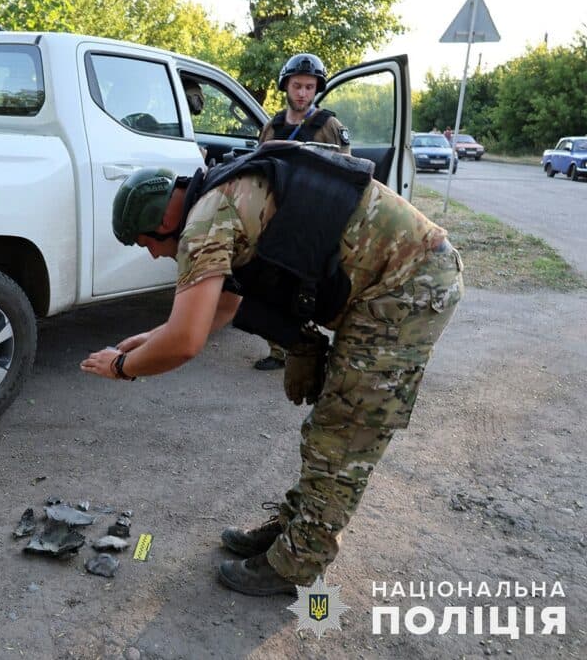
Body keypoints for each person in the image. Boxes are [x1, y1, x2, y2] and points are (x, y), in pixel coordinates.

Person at [80, 141, 463, 596]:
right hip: (397, 277)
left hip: (409, 285)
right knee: (326, 428)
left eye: (146, 243)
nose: (151, 254)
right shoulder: (220, 194)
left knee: (343, 431)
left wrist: (122, 367)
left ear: (163, 222)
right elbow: (224, 307)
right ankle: (296, 528)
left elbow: (186, 341)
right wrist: (148, 339)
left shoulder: (202, 225)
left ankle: (297, 563)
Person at [253, 53, 351, 371]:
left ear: (316, 89)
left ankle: (306, 350)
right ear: (286, 86)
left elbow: (349, 174)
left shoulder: (329, 126)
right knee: (271, 284)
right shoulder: (273, 126)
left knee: (308, 289)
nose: (302, 93)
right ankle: (277, 349)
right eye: (297, 86)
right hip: (276, 217)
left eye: (309, 87)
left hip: (314, 220)